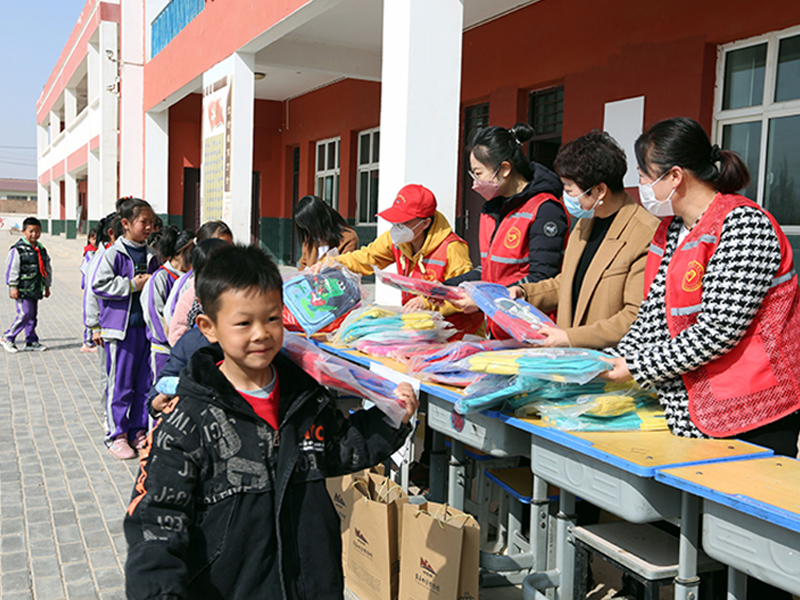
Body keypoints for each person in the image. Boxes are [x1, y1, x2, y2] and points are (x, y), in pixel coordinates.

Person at [124, 243, 419, 599]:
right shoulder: (188, 422)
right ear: (209, 327)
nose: (261, 333)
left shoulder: (304, 398)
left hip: (312, 585)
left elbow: (339, 450)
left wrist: (391, 421)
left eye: (272, 318)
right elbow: (156, 522)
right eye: (244, 323)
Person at [603, 117, 800, 459]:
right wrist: (604, 362)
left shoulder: (744, 225)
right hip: (693, 411)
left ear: (675, 176)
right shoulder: (671, 232)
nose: (641, 185)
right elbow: (652, 318)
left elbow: (719, 329)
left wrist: (637, 368)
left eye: (645, 175)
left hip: (752, 412)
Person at [507, 130, 659, 348]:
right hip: (573, 361)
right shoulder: (586, 221)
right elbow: (568, 282)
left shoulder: (645, 234)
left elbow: (634, 315)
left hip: (611, 366)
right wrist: (526, 293)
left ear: (599, 190)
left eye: (569, 187)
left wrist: (571, 338)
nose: (565, 194)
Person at [447, 123, 569, 338]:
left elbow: (542, 280)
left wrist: (483, 299)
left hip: (533, 331)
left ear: (504, 169)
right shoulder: (493, 211)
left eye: (478, 173)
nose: (476, 182)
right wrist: (442, 288)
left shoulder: (544, 210)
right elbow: (489, 271)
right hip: (500, 327)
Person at [333, 184, 483, 337]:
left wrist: (426, 302)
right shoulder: (398, 240)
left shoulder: (452, 248)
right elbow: (367, 257)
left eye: (404, 222)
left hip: (459, 333)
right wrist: (334, 263)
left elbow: (463, 294)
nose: (397, 228)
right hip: (422, 329)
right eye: (395, 222)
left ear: (425, 223)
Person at [91, 198, 160, 460]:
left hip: (145, 330)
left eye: (151, 223)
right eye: (144, 222)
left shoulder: (152, 254)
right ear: (125, 223)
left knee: (144, 383)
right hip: (120, 331)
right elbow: (98, 286)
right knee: (119, 384)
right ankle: (115, 435)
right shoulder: (113, 254)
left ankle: (138, 430)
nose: (148, 227)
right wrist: (131, 285)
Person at [164, 219, 233, 345]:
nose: (228, 255)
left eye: (230, 248)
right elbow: (172, 325)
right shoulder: (187, 287)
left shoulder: (234, 285)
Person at [140, 226, 194, 382]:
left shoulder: (189, 277)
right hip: (164, 350)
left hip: (182, 348)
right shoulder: (160, 278)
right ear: (181, 253)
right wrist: (173, 341)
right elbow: (153, 315)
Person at [1, 216, 52, 353]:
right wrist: (13, 287)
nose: (34, 234)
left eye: (37, 231)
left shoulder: (41, 249)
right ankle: (8, 337)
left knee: (33, 316)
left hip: (35, 287)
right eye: (31, 231)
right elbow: (12, 269)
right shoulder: (18, 249)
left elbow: (47, 268)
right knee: (25, 313)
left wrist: (47, 286)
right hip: (23, 288)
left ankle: (31, 341)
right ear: (23, 231)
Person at [295, 194, 359, 269]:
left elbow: (345, 268)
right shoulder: (309, 240)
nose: (308, 231)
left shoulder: (348, 238)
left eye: (310, 227)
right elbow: (303, 266)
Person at [80, 227, 99, 353]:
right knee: (90, 314)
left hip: (92, 285)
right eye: (93, 238)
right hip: (90, 286)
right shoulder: (90, 253)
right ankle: (87, 342)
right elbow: (86, 271)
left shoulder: (97, 252)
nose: (95, 241)